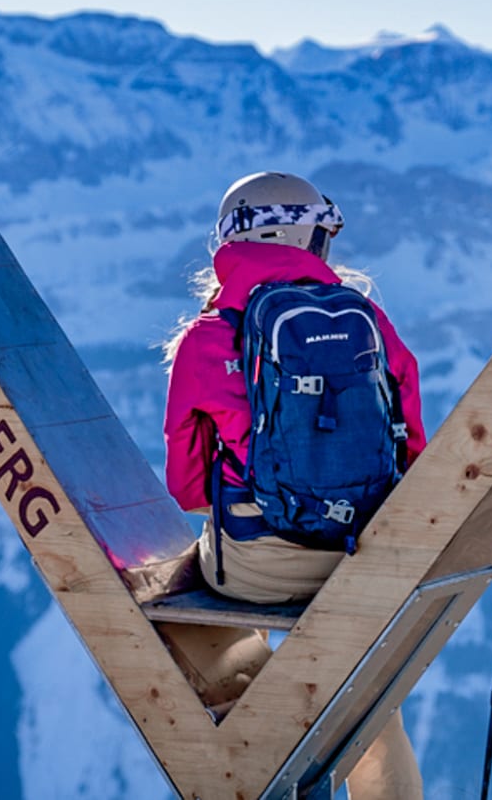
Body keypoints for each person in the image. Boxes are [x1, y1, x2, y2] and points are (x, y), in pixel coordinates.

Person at [162, 170, 428, 799]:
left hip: (253, 569)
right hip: (357, 560)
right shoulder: (371, 324)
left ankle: (260, 754)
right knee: (362, 693)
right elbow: (411, 445)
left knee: (182, 609)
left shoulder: (204, 341)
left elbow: (189, 489)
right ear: (309, 241)